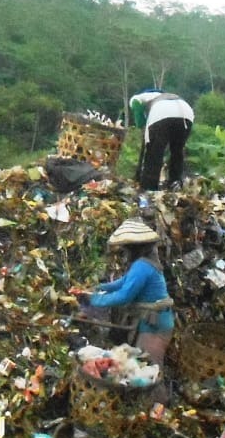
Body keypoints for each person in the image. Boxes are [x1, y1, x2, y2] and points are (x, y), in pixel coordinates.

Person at [82, 218, 175, 365]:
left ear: (134, 248)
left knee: (149, 369)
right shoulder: (144, 263)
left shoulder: (142, 266)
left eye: (126, 248)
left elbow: (124, 296)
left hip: (155, 325)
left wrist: (95, 299)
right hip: (155, 322)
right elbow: (124, 282)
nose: (124, 252)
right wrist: (101, 288)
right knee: (142, 363)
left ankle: (157, 389)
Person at [130, 88, 194, 191]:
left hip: (162, 112)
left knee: (154, 152)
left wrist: (141, 125)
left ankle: (149, 187)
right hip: (186, 112)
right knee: (177, 151)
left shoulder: (139, 97)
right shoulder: (164, 95)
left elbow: (135, 103)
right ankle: (175, 183)